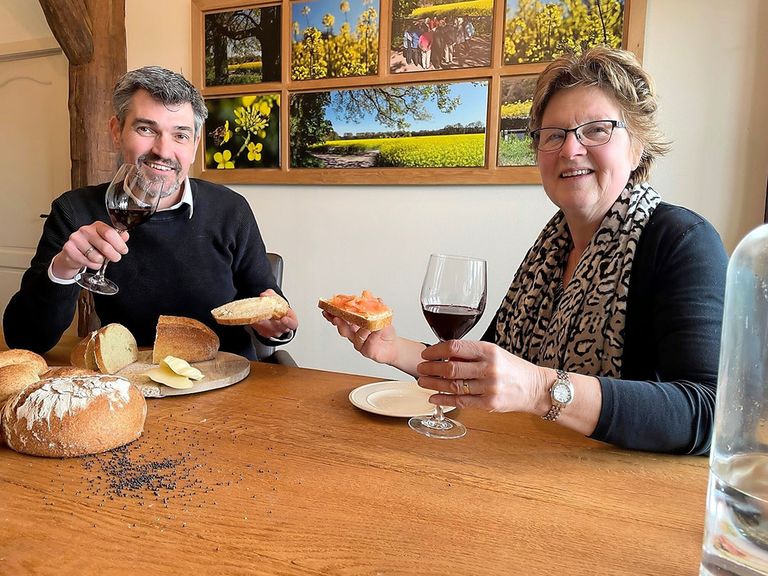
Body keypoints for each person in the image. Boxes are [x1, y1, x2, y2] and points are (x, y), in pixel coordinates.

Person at [323, 47, 727, 454]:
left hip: (622, 493)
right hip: (525, 464)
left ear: (636, 146)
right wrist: (394, 350)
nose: (570, 150)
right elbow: (484, 372)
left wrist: (540, 388)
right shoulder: (550, 250)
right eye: (554, 135)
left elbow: (709, 413)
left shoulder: (682, 241)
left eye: (596, 130)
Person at [3, 66, 298, 360]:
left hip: (227, 376)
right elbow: (24, 338)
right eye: (146, 129)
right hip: (129, 381)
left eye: (180, 135)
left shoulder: (231, 209)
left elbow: (267, 300)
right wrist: (65, 268)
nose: (163, 150)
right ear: (117, 131)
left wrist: (276, 327)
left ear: (195, 144)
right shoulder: (75, 210)